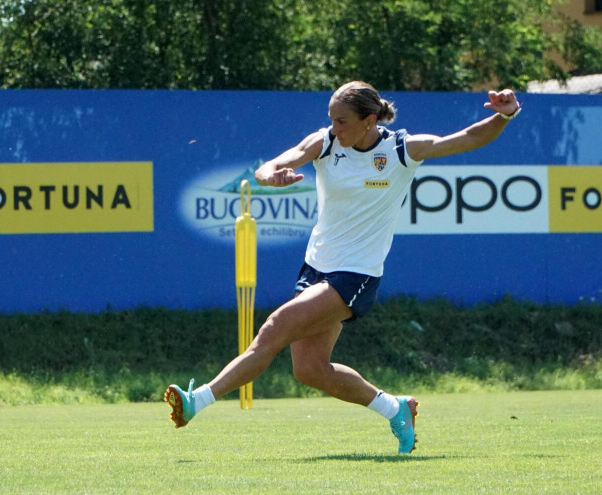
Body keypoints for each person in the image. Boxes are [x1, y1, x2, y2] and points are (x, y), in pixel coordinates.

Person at [164, 81, 522, 453]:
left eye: (342, 121)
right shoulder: (326, 142)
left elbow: (466, 138)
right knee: (309, 370)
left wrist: (506, 113)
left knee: (275, 327)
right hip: (315, 268)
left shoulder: (401, 149)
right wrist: (274, 177)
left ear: (369, 120)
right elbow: (269, 167)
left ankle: (197, 400)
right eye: (332, 120)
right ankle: (396, 408)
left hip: (357, 274)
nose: (335, 128)